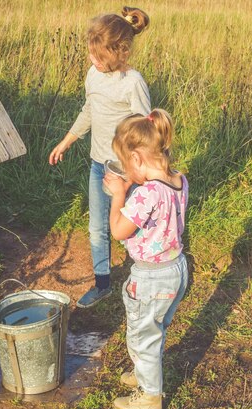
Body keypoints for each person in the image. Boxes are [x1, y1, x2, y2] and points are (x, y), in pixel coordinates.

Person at [48, 6, 151, 308]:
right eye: (91, 53)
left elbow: (146, 128)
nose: (92, 60)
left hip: (129, 170)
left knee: (134, 225)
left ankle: (146, 275)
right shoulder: (94, 74)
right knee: (97, 225)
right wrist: (66, 141)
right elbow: (89, 111)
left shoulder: (132, 82)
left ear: (120, 52)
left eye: (99, 55)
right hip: (99, 165)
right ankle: (102, 283)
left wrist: (135, 173)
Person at [103, 109, 189, 409]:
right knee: (154, 329)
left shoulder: (146, 194)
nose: (126, 171)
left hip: (151, 277)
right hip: (176, 270)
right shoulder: (179, 180)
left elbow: (118, 231)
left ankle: (150, 397)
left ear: (138, 159)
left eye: (127, 164)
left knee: (142, 336)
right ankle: (145, 374)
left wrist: (118, 194)